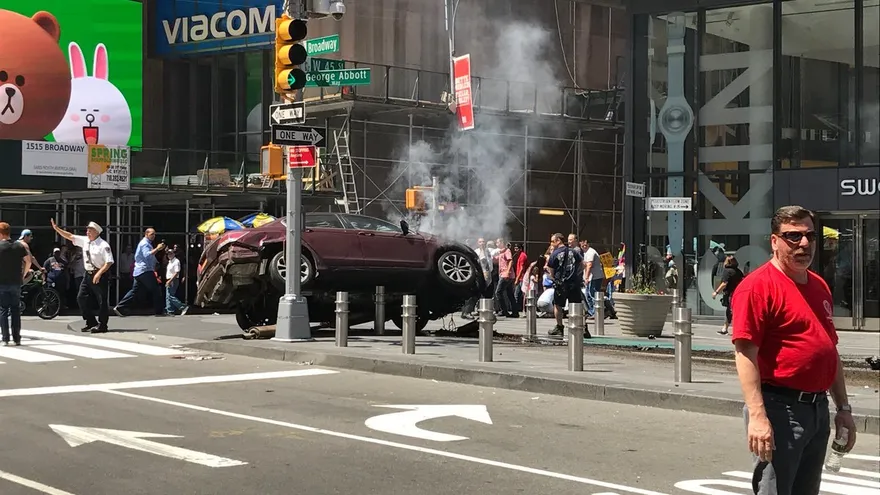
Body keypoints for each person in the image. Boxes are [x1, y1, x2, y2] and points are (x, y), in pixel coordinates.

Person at [731, 205, 856, 495]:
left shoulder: (819, 285)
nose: (804, 244)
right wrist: (759, 416)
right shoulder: (757, 287)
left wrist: (844, 409)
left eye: (810, 236)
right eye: (793, 236)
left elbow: (830, 351)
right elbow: (745, 353)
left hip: (817, 409)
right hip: (780, 409)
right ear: (774, 241)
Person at [50, 219, 114, 333]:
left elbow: (109, 262)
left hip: (100, 274)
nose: (87, 232)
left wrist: (99, 274)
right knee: (81, 297)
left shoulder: (103, 245)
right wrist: (57, 229)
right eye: (87, 230)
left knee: (102, 301)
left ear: (96, 232)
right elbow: (70, 236)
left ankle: (103, 325)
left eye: (90, 230)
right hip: (87, 274)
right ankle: (90, 321)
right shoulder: (85, 241)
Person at [545, 233, 590, 338]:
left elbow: (550, 270)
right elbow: (583, 264)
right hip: (574, 283)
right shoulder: (573, 251)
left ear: (558, 241)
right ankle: (583, 328)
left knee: (558, 305)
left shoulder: (554, 254)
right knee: (576, 306)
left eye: (552, 241)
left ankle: (559, 327)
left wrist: (554, 278)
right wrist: (576, 274)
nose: (551, 244)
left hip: (561, 284)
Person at [114, 228, 165, 317]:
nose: (153, 236)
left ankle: (120, 306)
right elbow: (147, 255)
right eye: (152, 234)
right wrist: (157, 249)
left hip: (139, 271)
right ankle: (159, 311)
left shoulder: (145, 243)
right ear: (146, 234)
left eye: (154, 234)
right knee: (156, 289)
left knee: (135, 291)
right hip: (145, 270)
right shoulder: (145, 244)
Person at [0, 222, 29, 346]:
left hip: (2, 282)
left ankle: (5, 337)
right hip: (16, 281)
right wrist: (24, 274)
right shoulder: (19, 246)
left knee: (3, 310)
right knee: (16, 310)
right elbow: (28, 261)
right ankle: (17, 338)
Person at [713, 255, 744, 335]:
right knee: (732, 311)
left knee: (729, 311)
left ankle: (726, 329)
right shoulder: (739, 272)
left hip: (730, 294)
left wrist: (716, 292)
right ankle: (725, 328)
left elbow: (724, 283)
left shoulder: (727, 271)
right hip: (739, 293)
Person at [164, 248, 189, 316]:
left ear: (174, 254)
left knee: (170, 296)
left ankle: (182, 306)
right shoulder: (170, 261)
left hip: (173, 280)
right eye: (168, 254)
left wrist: (170, 281)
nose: (169, 255)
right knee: (168, 296)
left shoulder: (176, 261)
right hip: (169, 279)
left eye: (171, 253)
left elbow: (177, 272)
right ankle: (170, 310)